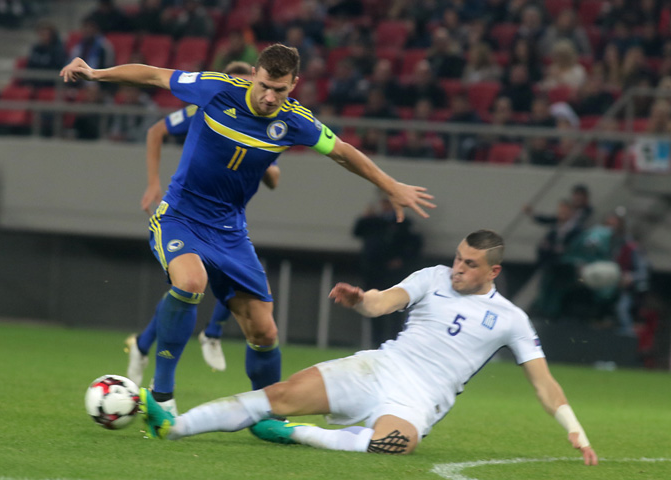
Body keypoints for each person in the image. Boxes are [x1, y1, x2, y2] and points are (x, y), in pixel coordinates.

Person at [60, 44, 435, 416]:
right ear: (254, 74)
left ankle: (269, 416)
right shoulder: (216, 88)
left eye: (280, 90)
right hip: (181, 217)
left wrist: (390, 185)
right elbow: (154, 75)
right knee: (190, 282)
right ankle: (162, 397)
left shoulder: (295, 121)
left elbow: (342, 151)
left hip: (230, 233)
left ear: (294, 85)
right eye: (265, 86)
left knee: (264, 332)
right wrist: (96, 73)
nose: (270, 97)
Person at [137, 230, 599, 466]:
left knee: (392, 446)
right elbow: (383, 303)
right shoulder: (432, 277)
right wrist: (361, 300)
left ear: (493, 272)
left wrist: (574, 428)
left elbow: (544, 384)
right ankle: (176, 427)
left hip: (419, 400)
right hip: (379, 368)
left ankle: (294, 434)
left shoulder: (512, 319)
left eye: (470, 264)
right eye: (458, 258)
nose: (458, 268)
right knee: (278, 396)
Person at [128, 62, 280, 376]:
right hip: (190, 216)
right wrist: (153, 182)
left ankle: (211, 334)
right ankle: (145, 347)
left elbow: (275, 178)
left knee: (237, 282)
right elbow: (156, 130)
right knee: (186, 287)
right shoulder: (209, 103)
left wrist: (257, 159)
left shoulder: (265, 122)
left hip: (228, 221)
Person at [353, 195, 422, 347]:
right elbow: (357, 232)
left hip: (394, 273)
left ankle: (395, 343)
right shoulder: (373, 221)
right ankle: (375, 343)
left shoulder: (404, 223)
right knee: (373, 307)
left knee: (395, 309)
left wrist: (402, 260)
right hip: (374, 272)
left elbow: (414, 245)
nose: (385, 206)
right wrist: (365, 217)